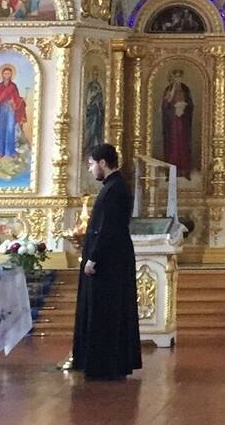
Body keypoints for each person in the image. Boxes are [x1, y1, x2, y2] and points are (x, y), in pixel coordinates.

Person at [69, 143, 143, 380]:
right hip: (112, 260)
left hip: (108, 263)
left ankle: (104, 365)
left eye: (91, 164)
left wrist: (93, 258)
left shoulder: (115, 189)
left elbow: (108, 229)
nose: (90, 169)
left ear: (102, 163)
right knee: (105, 311)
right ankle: (102, 362)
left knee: (106, 312)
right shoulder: (113, 186)